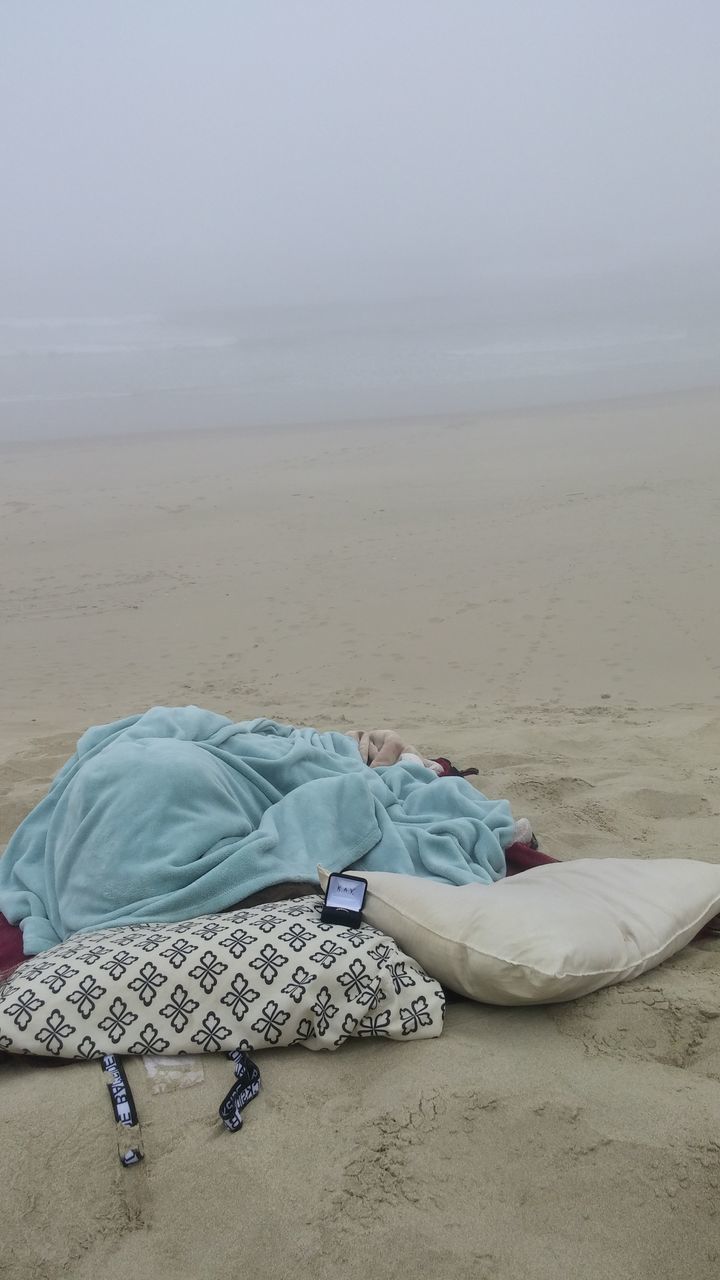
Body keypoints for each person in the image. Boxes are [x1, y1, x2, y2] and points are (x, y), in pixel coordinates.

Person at [0, 706, 529, 956]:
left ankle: (357, 756)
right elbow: (346, 885)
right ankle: (363, 757)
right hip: (151, 784)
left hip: (137, 778)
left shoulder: (105, 913)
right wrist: (373, 780)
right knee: (324, 772)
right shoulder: (261, 888)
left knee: (280, 756)